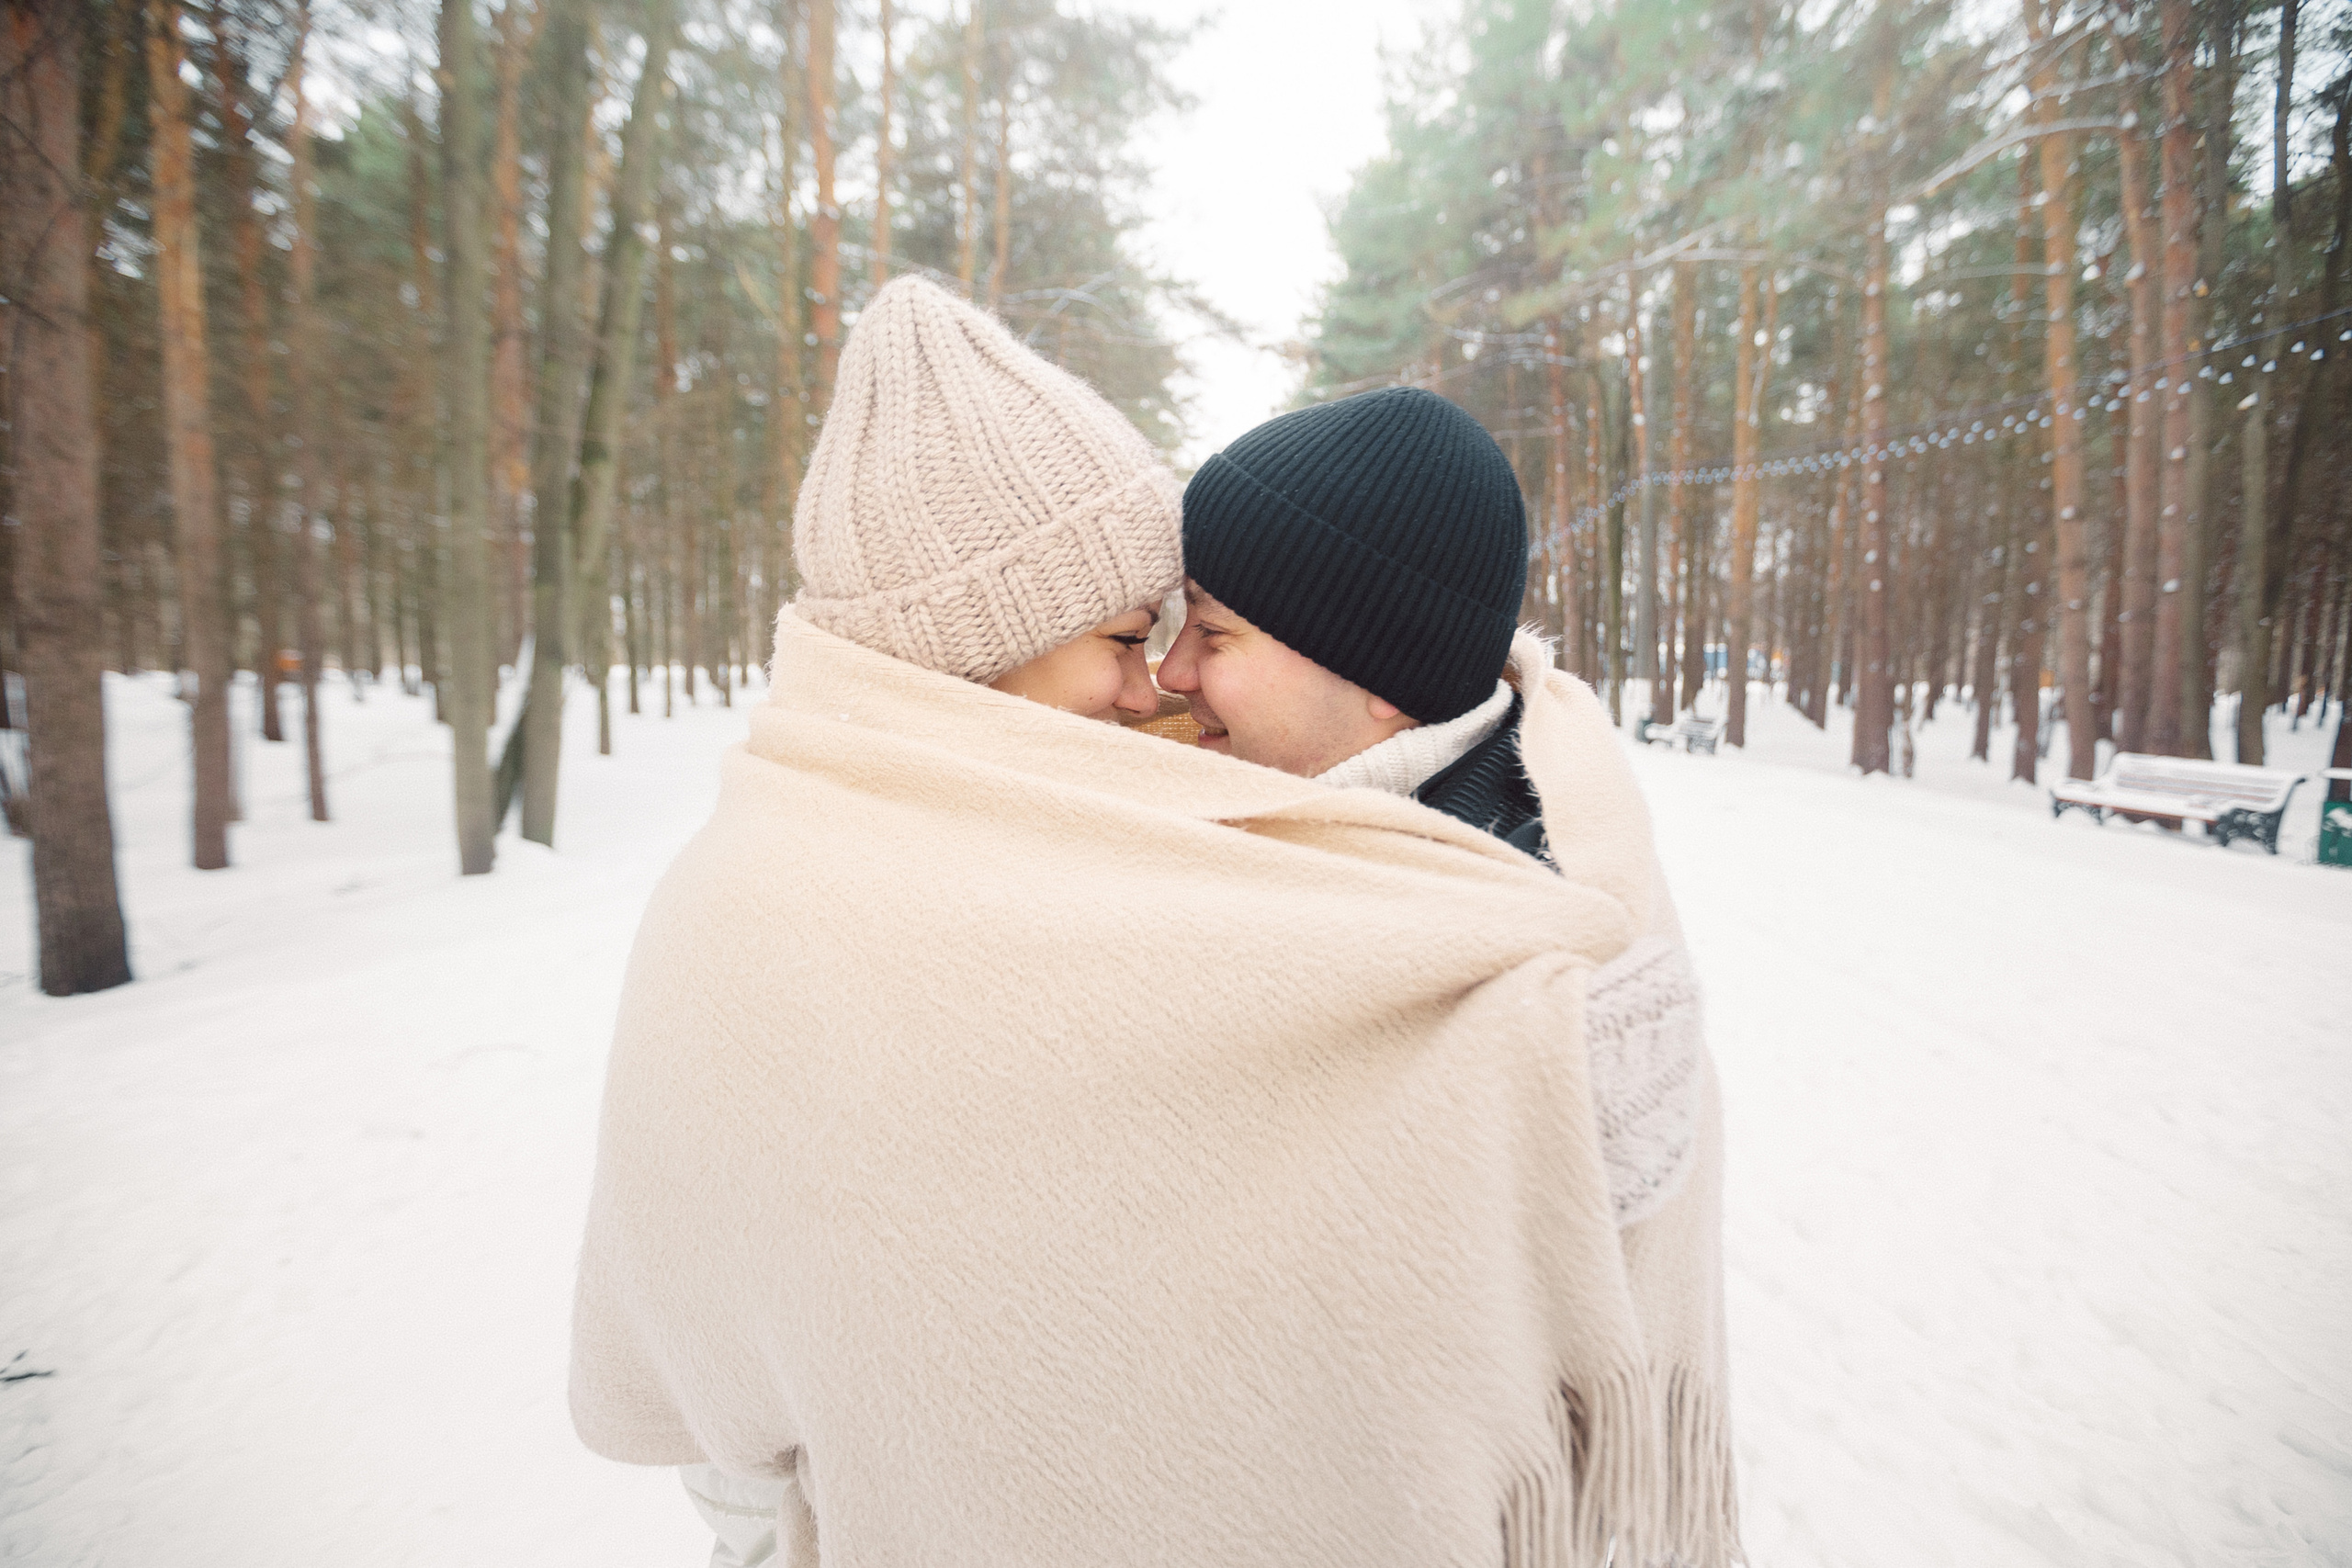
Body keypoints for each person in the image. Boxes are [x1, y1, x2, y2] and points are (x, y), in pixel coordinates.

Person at [571, 280, 1738, 1568]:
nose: (1160, 686)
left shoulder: (1443, 881)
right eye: (1134, 636)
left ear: (1372, 670)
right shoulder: (786, 912)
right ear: (987, 650)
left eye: (1195, 634)